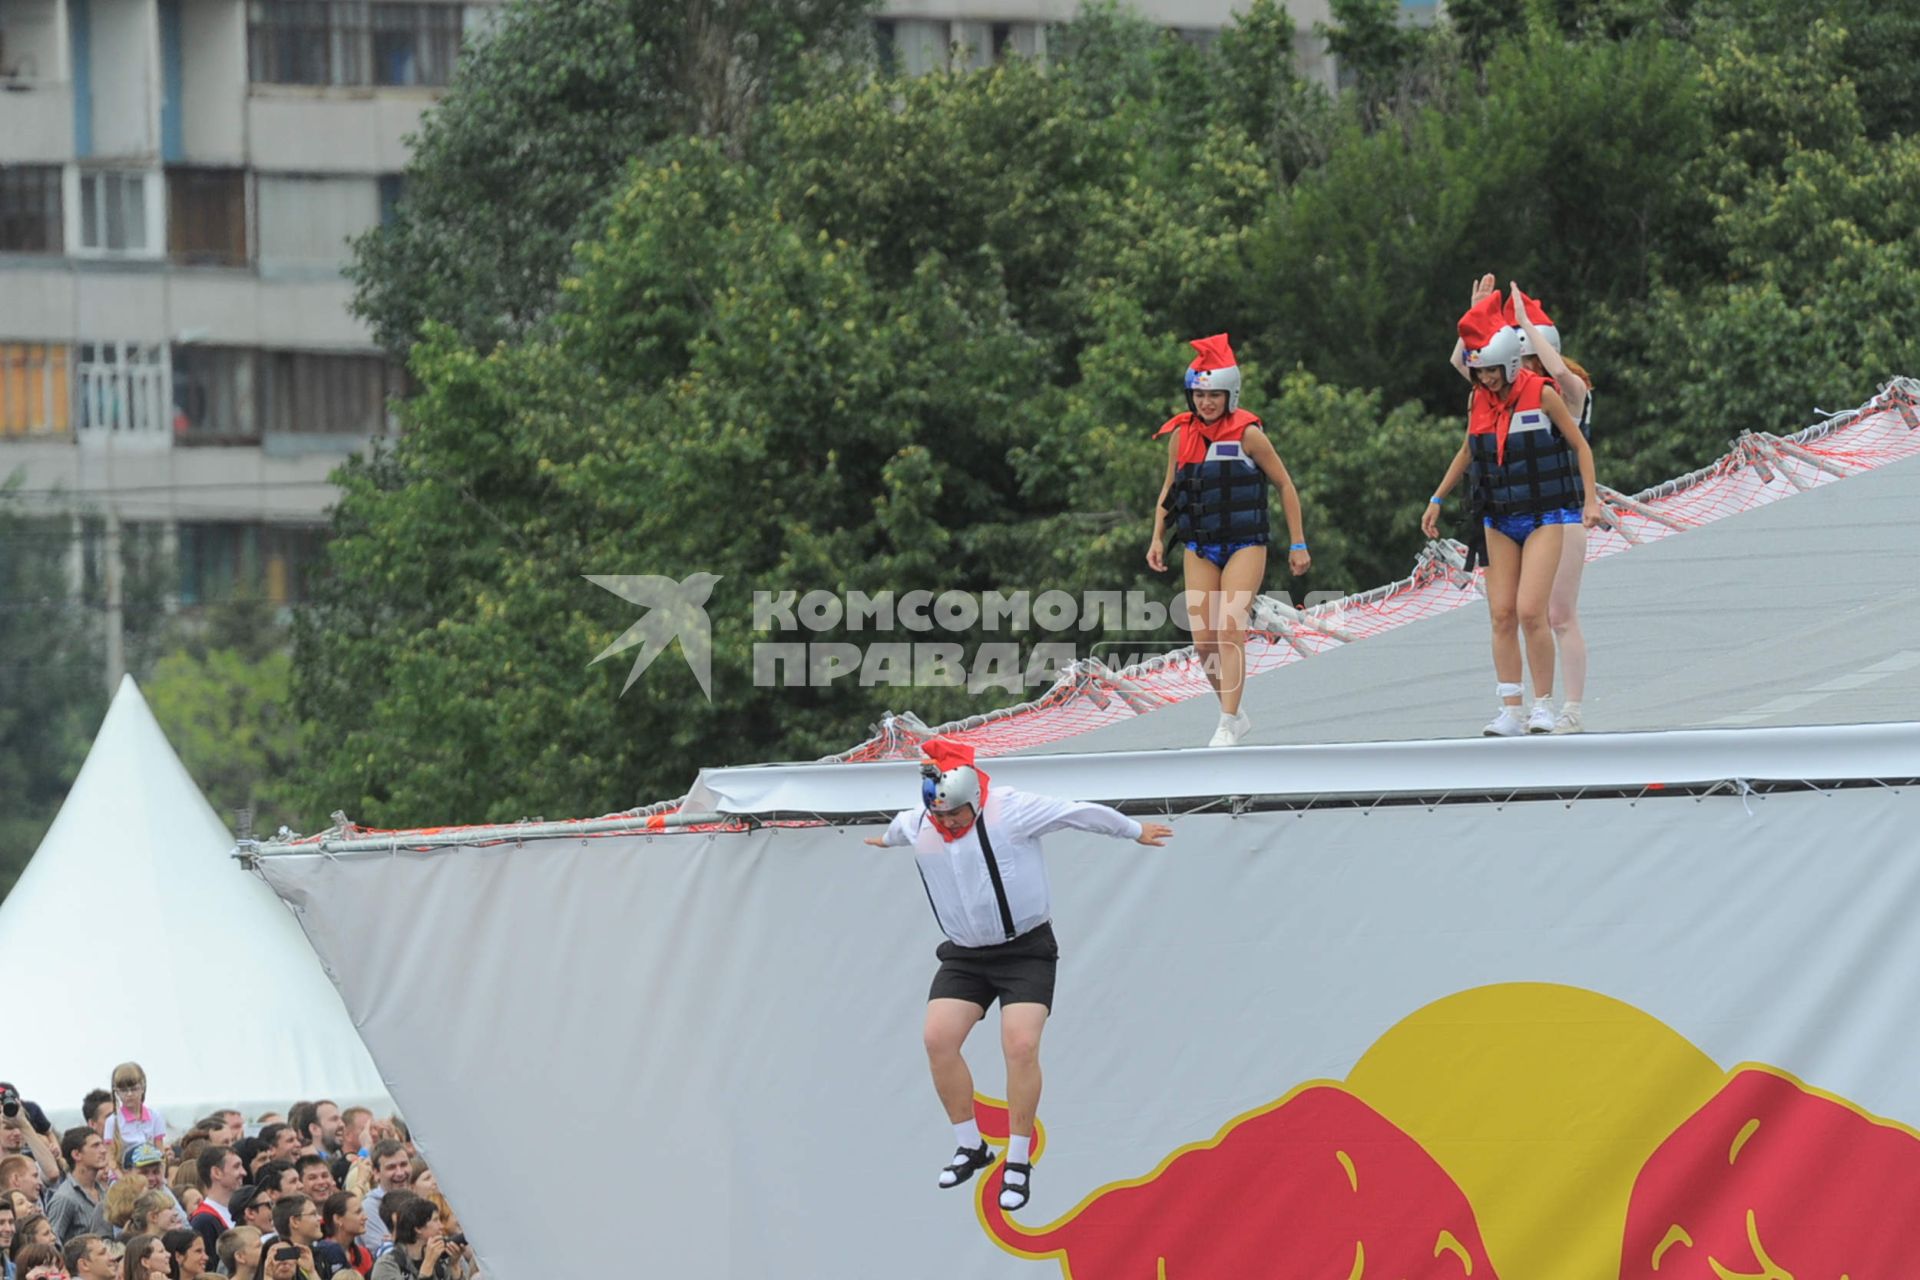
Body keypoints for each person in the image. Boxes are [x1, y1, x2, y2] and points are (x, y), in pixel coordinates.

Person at [866, 737, 1172, 1213]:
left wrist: (1133, 830)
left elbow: (1077, 812)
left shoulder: (1011, 810)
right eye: (940, 818)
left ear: (976, 799)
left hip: (1025, 950)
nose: (948, 825)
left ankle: (1019, 1158)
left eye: (957, 817)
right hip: (965, 956)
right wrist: (884, 839)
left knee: (1021, 1045)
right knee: (937, 1039)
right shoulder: (921, 822)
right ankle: (970, 1145)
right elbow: (899, 829)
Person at [1424, 289, 1602, 735]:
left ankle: (1559, 706)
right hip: (1502, 515)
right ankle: (1513, 707)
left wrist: (1591, 500)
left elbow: (1575, 432)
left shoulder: (1556, 391)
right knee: (1504, 613)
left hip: (1554, 513)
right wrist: (1438, 497)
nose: (1483, 378)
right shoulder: (1484, 395)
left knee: (1543, 614)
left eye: (1495, 367)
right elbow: (1468, 433)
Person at [1146, 334, 1311, 747]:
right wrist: (1156, 538)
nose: (1206, 403)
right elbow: (1169, 491)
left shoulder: (1248, 435)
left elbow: (1285, 485)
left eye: (1214, 395)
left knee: (1228, 629)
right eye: (1199, 395)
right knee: (1203, 642)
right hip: (1200, 545)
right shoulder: (1180, 436)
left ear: (1230, 395)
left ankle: (1225, 721)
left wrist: (1298, 542)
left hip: (1244, 543)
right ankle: (1233, 712)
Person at [47, 1129, 110, 1242]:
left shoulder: (104, 1192)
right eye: (95, 1146)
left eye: (102, 1144)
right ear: (76, 1154)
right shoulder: (65, 1198)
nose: (103, 1150)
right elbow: (52, 1242)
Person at [101, 1069, 165, 1167]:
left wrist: (160, 1176)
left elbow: (160, 1151)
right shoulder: (112, 1121)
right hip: (124, 1173)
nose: (129, 1094)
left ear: (142, 1088)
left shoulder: (155, 1116)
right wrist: (124, 1179)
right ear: (117, 1092)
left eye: (134, 1089)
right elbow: (110, 1158)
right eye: (124, 1090)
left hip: (152, 1171)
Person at [312, 1195, 369, 1278]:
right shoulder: (321, 1254)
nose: (365, 1217)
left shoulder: (364, 1254)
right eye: (358, 1212)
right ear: (338, 1219)